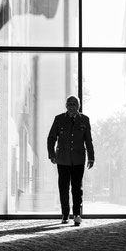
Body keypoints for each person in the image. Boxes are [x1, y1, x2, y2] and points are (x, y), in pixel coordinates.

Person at [47, 95, 95, 226]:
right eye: (69, 104)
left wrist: (91, 157)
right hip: (62, 159)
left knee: (77, 188)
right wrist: (51, 154)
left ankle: (77, 214)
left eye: (74, 104)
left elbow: (88, 140)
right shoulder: (59, 119)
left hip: (78, 159)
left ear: (78, 106)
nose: (72, 106)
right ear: (66, 106)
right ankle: (65, 214)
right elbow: (51, 138)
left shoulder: (85, 120)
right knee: (63, 187)